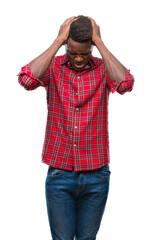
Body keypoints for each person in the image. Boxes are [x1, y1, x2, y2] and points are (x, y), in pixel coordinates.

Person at [18, 15, 134, 240]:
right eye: (73, 52)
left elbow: (125, 84)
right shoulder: (53, 68)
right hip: (60, 172)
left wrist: (99, 42)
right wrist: (58, 40)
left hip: (97, 174)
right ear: (65, 46)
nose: (79, 58)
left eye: (85, 52)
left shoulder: (103, 69)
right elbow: (26, 80)